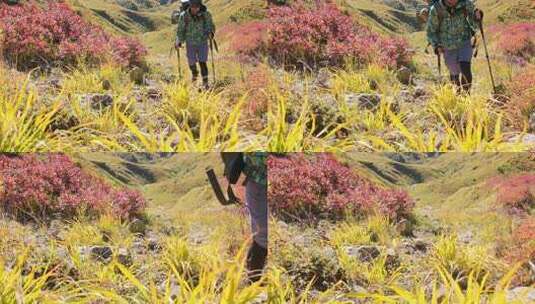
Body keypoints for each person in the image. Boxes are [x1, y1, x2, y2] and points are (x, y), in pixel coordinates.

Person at [426, 0, 482, 93]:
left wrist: (477, 18)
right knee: (454, 73)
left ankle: (466, 98)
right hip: (447, 47)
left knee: (465, 70)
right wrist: (436, 45)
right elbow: (431, 31)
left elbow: (474, 24)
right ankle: (457, 93)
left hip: (464, 42)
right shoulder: (436, 9)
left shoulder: (466, 4)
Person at [175, 0, 215, 89]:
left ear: (200, 5)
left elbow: (210, 25)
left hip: (202, 42)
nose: (195, 8)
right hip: (190, 42)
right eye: (193, 6)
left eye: (197, 6)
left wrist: (210, 33)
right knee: (191, 62)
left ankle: (205, 83)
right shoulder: (184, 15)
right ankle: (194, 73)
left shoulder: (206, 14)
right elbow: (181, 30)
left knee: (202, 62)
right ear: (190, 5)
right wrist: (178, 40)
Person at [242, 152, 268, 283]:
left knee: (259, 233)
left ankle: (251, 273)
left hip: (256, 180)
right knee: (262, 236)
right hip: (259, 181)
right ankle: (253, 281)